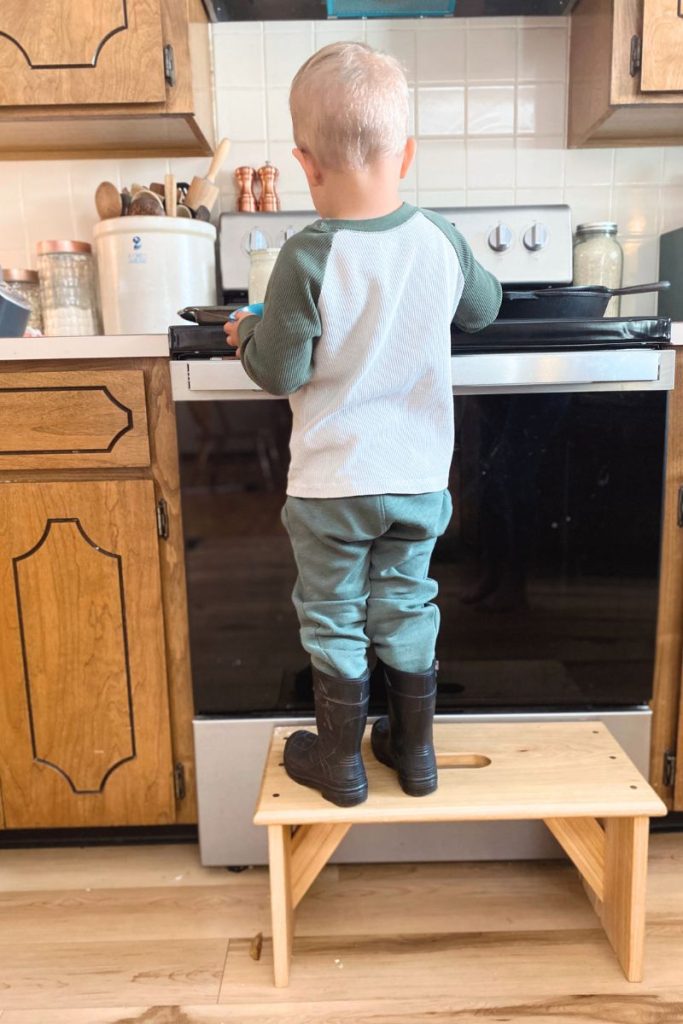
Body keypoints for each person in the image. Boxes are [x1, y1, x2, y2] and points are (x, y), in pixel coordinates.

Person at [224, 42, 502, 807]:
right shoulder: (439, 238)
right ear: (405, 153)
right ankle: (415, 755)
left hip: (333, 484)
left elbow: (279, 369)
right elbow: (483, 309)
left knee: (334, 612)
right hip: (416, 481)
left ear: (305, 163)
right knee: (406, 603)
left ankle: (340, 763)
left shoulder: (306, 254)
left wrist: (246, 333)